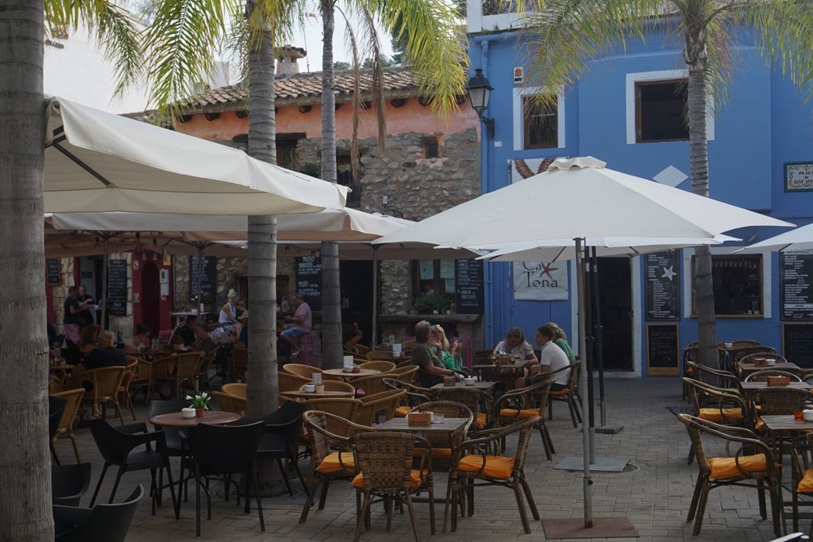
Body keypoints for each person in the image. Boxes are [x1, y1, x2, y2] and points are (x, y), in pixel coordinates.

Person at [411, 321, 457, 387]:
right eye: (431, 332)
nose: (433, 335)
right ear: (427, 334)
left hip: (441, 377)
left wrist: (439, 348)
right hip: (436, 381)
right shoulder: (422, 349)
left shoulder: (426, 347)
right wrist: (450, 372)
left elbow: (437, 361)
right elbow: (431, 370)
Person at [527, 324, 571, 392]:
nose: (535, 339)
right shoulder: (552, 346)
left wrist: (534, 375)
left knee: (520, 381)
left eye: (538, 336)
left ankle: (529, 399)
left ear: (545, 337)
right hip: (562, 382)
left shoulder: (547, 350)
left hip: (555, 383)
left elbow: (544, 374)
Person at [280, 292, 312, 356]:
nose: (294, 302)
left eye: (295, 300)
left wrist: (291, 319)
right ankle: (291, 342)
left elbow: (301, 319)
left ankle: (295, 348)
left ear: (298, 299)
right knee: (285, 326)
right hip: (298, 326)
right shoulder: (303, 306)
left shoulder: (303, 307)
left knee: (282, 334)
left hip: (302, 328)